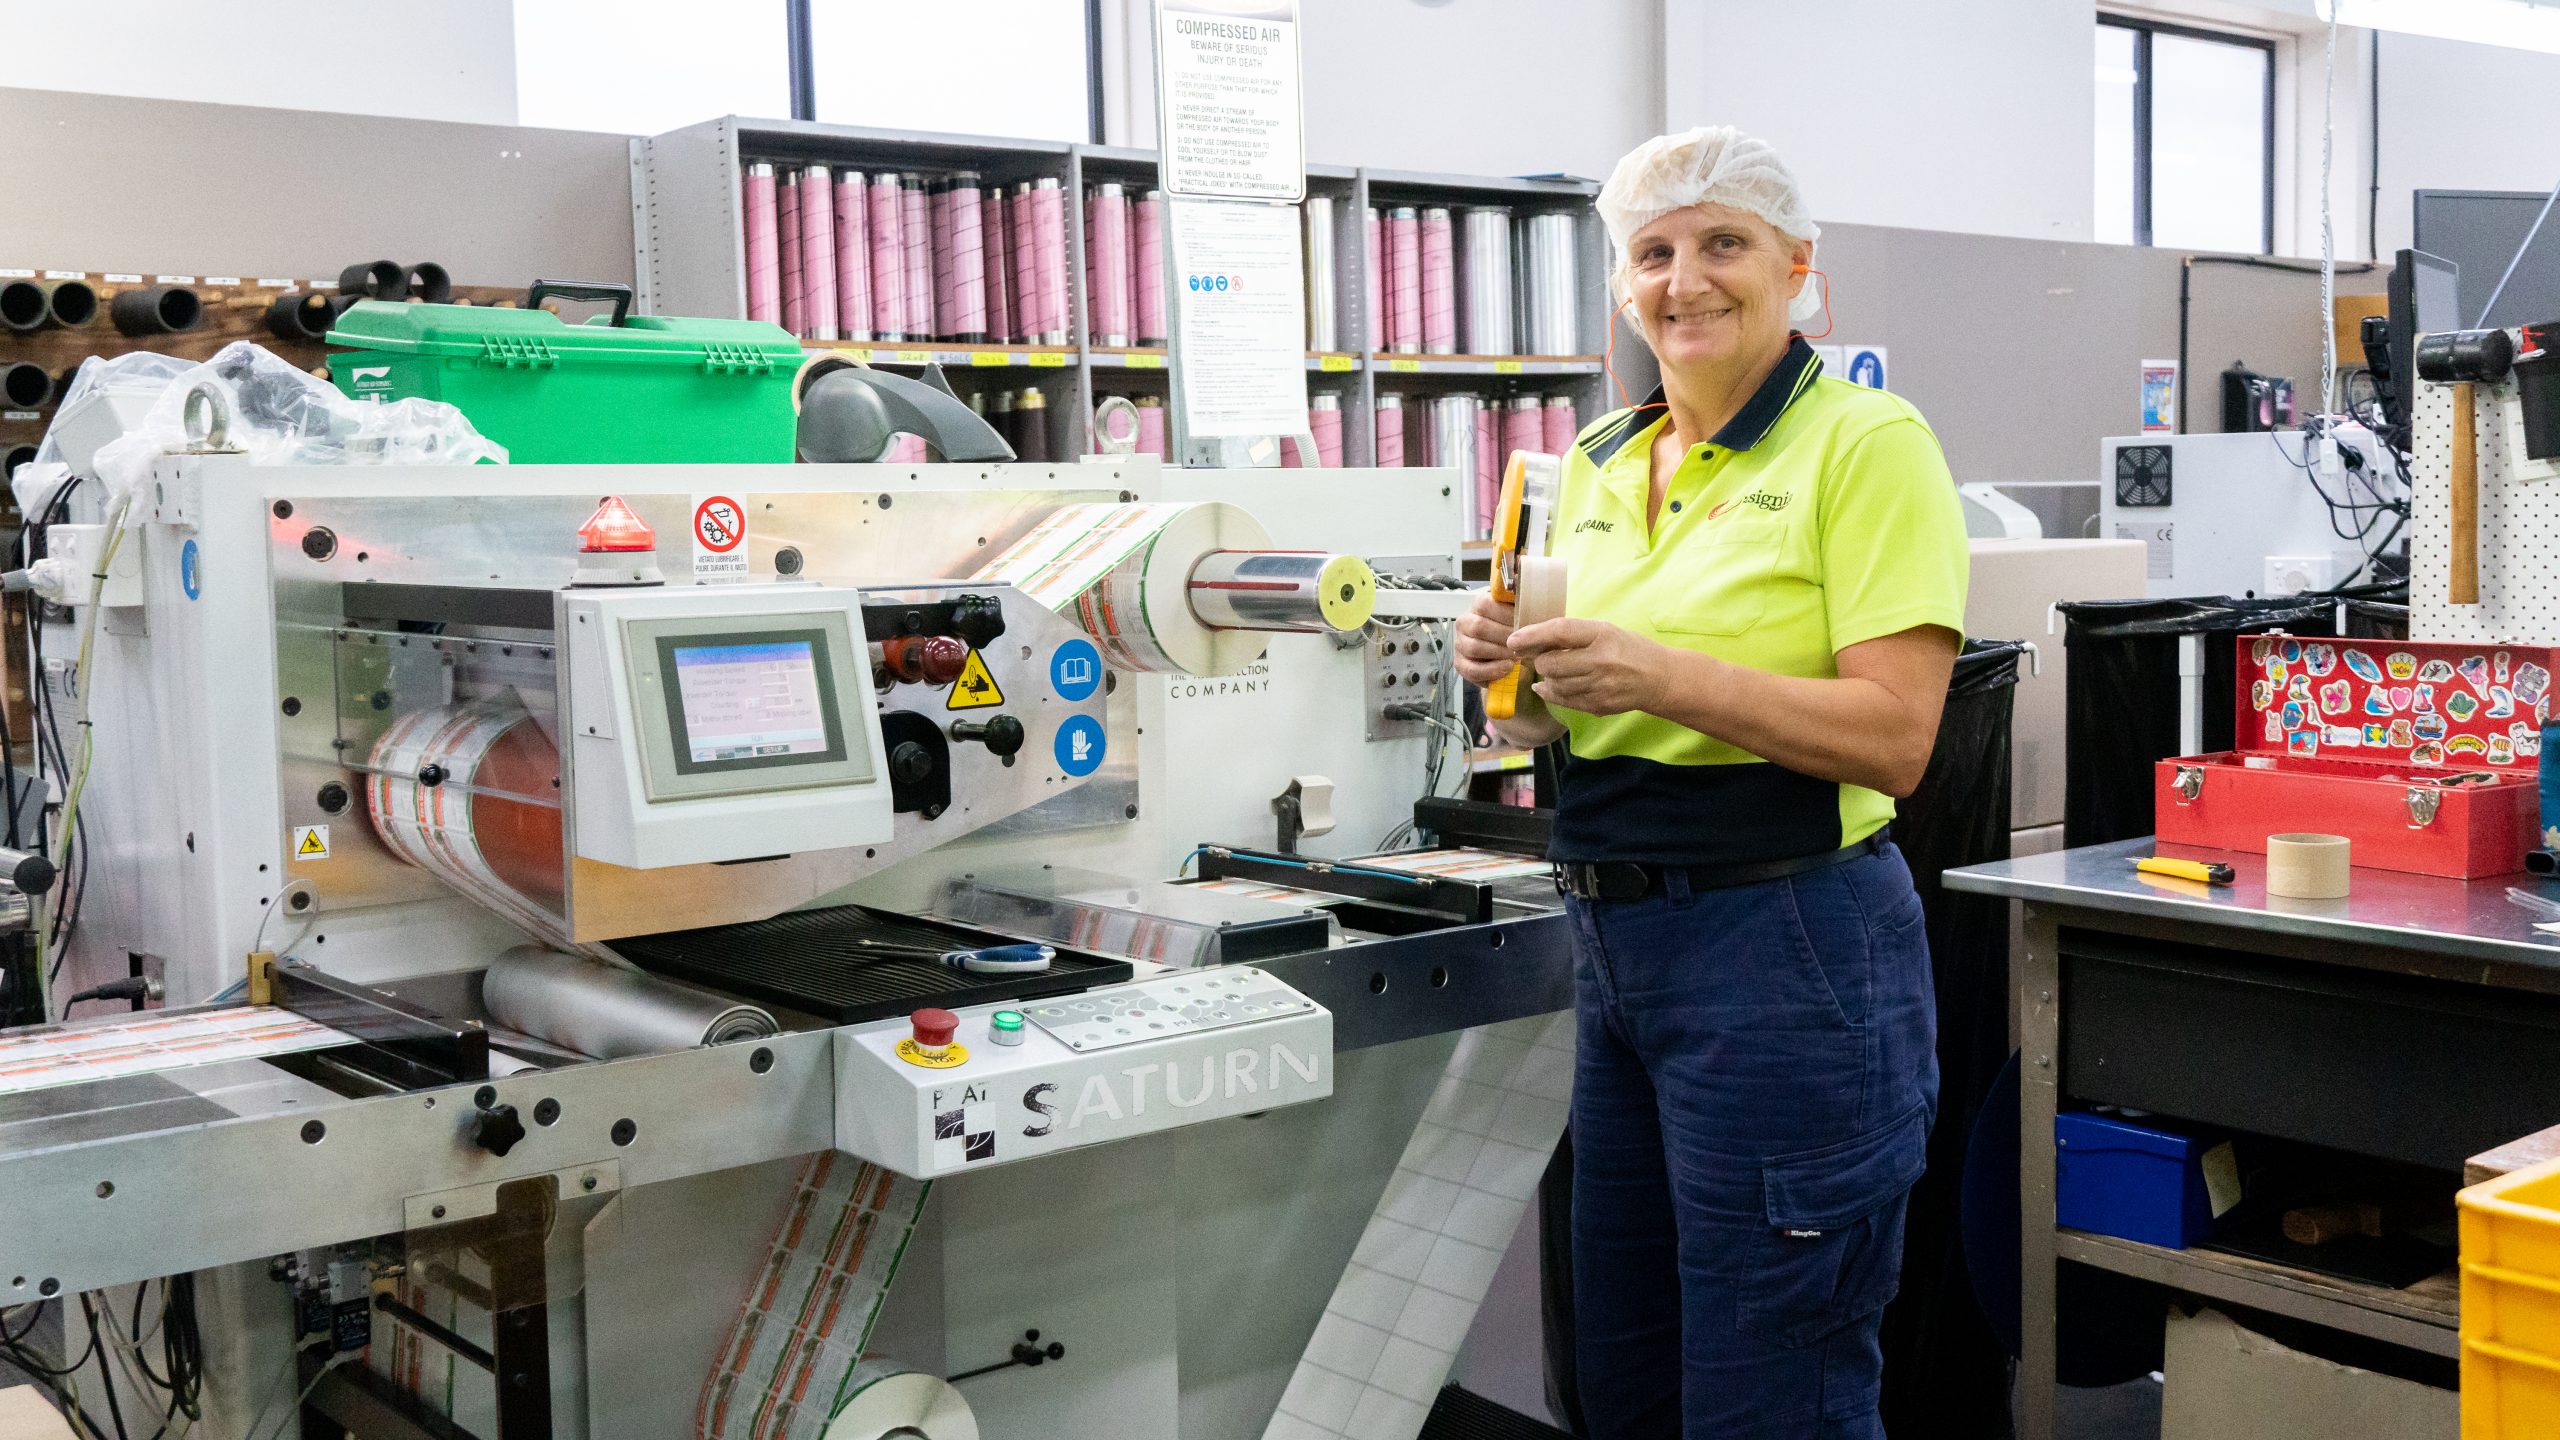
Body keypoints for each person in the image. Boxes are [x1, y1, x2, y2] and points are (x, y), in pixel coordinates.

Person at [1453, 126, 1968, 1438]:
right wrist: (1509, 676)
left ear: (1797, 266)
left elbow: (1899, 738)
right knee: (1624, 1380)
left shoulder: (1865, 444)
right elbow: (1552, 728)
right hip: (1615, 938)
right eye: (1655, 252)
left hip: (1786, 943)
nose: (1686, 279)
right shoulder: (1597, 460)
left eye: (1723, 244)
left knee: (1769, 1390)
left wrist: (1657, 674)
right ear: (1625, 285)